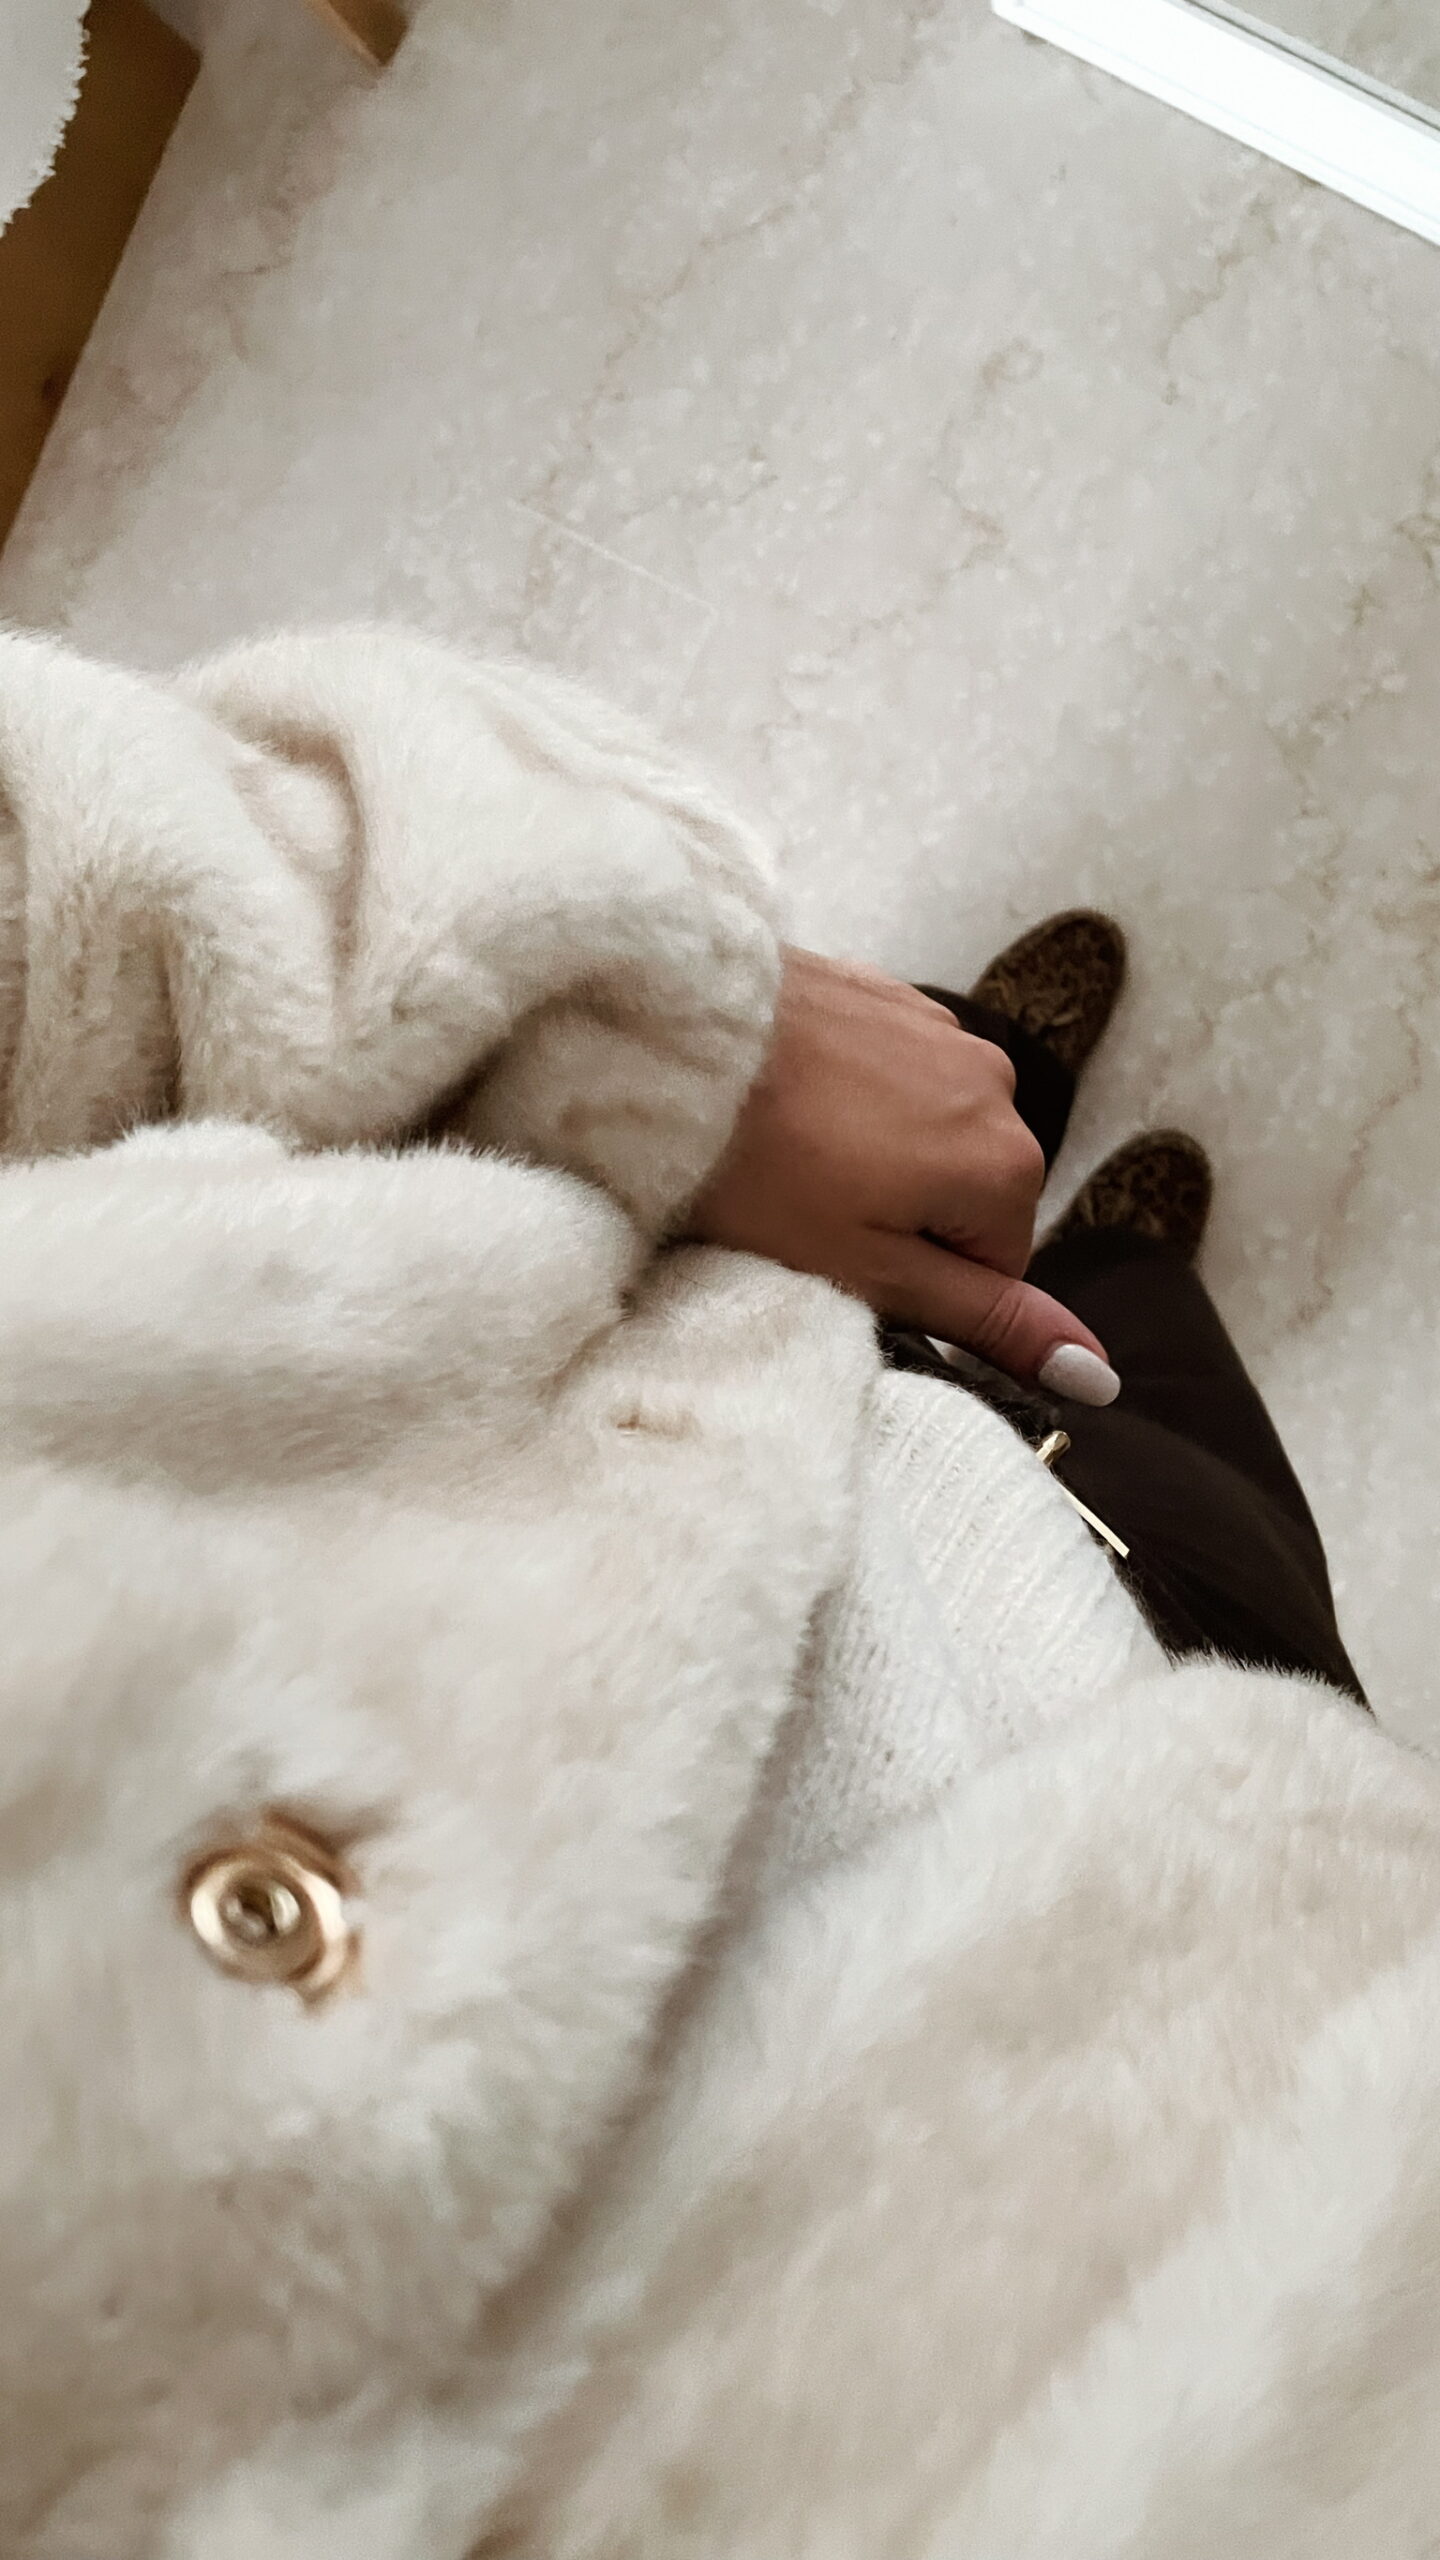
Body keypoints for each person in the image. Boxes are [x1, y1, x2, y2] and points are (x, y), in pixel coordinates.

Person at [2, 623, 1435, 2560]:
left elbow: (54, 888)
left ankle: (985, 1100)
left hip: (625, 1314)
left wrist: (655, 1049)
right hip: (1227, 1802)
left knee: (907, 1145)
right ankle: (1118, 1279)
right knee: (1163, 1405)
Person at [693, 918, 1365, 1705]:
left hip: (706, 1365)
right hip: (1202, 1675)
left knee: (890, 1106)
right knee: (1166, 1386)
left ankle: (1012, 1074)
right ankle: (1109, 1260)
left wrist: (675, 1078)